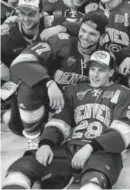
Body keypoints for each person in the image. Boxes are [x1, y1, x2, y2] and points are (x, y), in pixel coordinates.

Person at [2, 50, 130, 190]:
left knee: (92, 186)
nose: (95, 75)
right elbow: (60, 121)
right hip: (69, 149)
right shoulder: (74, 90)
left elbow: (124, 131)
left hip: (102, 153)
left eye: (101, 70)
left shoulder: (124, 93)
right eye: (92, 69)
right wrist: (45, 143)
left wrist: (90, 147)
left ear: (110, 72)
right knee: (22, 167)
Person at [8, 11, 109, 149]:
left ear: (102, 37)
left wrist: (129, 58)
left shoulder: (106, 56)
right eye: (83, 31)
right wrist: (49, 83)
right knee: (28, 87)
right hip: (49, 101)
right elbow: (20, 62)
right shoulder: (61, 42)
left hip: (76, 110)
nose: (85, 37)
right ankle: (34, 136)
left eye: (92, 34)